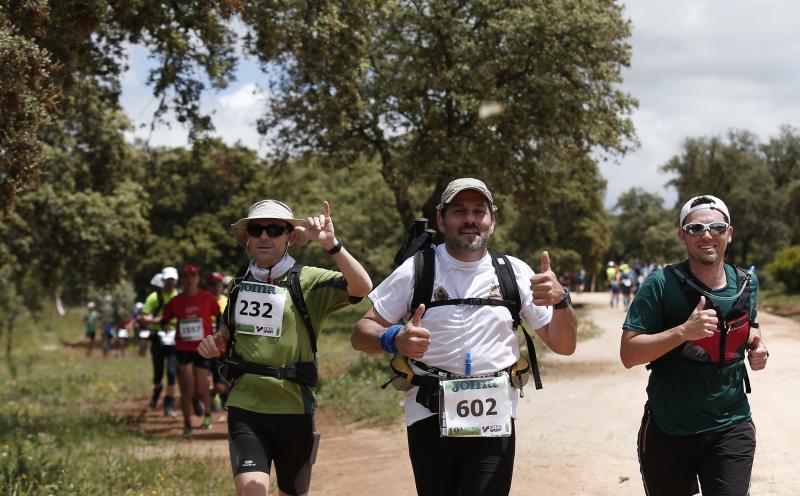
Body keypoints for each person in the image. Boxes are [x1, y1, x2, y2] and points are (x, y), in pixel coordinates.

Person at [352, 178, 578, 496]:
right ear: (442, 220)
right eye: (459, 211)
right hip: (428, 414)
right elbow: (361, 331)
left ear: (492, 221)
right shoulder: (415, 270)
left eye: (478, 211)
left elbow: (564, 345)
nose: (470, 219)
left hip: (494, 416)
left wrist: (562, 301)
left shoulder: (514, 272)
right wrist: (394, 338)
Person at [198, 199, 372, 496]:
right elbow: (230, 331)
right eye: (257, 229)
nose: (264, 236)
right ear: (247, 237)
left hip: (294, 407)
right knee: (252, 491)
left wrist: (333, 246)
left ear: (290, 238)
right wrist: (216, 341)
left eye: (275, 229)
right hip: (246, 405)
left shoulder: (309, 279)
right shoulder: (239, 282)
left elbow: (362, 287)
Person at [620, 194, 769, 496]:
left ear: (729, 233)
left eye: (716, 227)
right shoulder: (660, 283)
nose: (706, 234)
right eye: (695, 228)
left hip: (731, 424)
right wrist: (683, 332)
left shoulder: (745, 283)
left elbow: (748, 323)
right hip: (669, 428)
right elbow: (629, 353)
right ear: (681, 236)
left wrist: (757, 344)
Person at [162, 264, 221, 438]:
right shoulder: (176, 301)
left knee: (202, 389)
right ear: (182, 279)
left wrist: (218, 336)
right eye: (185, 277)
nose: (189, 280)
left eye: (192, 276)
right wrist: (165, 325)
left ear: (197, 278)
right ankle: (187, 424)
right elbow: (165, 319)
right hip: (183, 348)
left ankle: (208, 415)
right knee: (186, 389)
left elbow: (219, 316)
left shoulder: (206, 298)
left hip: (202, 348)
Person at [138, 267, 180, 417]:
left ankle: (168, 404)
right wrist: (160, 321)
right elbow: (143, 317)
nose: (170, 283)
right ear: (162, 281)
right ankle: (157, 389)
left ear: (175, 281)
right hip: (157, 338)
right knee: (158, 373)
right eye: (167, 280)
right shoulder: (154, 298)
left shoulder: (179, 297)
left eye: (172, 280)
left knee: (171, 372)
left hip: (174, 338)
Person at [206, 271, 229, 412]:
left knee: (221, 385)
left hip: (222, 347)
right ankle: (209, 401)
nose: (215, 287)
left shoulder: (228, 301)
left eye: (218, 284)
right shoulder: (202, 300)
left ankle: (214, 395)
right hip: (204, 345)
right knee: (204, 379)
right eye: (212, 284)